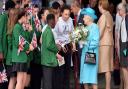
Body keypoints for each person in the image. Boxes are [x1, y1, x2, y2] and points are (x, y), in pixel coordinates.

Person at [12, 10, 34, 89]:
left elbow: (26, 39)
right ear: (22, 17)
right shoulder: (17, 27)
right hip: (19, 57)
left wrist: (29, 31)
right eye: (25, 16)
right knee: (20, 80)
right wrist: (28, 48)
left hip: (23, 57)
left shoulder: (20, 26)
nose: (27, 18)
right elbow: (18, 42)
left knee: (23, 80)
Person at [53, 5, 74, 89]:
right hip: (60, 47)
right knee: (60, 69)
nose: (67, 16)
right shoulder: (58, 21)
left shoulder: (70, 21)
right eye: (65, 14)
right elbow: (55, 36)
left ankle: (66, 86)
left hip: (68, 46)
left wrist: (73, 44)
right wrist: (60, 46)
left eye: (68, 14)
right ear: (61, 13)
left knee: (67, 69)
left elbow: (72, 33)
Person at [80, 7, 100, 89]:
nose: (83, 18)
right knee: (84, 79)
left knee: (92, 79)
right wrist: (80, 42)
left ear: (88, 17)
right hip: (84, 54)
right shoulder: (85, 28)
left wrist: (85, 42)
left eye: (84, 16)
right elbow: (82, 43)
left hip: (91, 54)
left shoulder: (94, 27)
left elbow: (95, 42)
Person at [41, 13, 60, 89]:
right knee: (48, 84)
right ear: (51, 21)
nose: (55, 23)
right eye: (55, 21)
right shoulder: (48, 31)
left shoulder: (47, 30)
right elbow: (49, 45)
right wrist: (57, 48)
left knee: (47, 82)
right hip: (48, 61)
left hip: (46, 60)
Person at [97, 0, 114, 89]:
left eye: (98, 5)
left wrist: (94, 40)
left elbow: (100, 32)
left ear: (101, 5)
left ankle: (107, 87)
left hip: (104, 44)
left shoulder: (104, 16)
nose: (98, 7)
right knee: (108, 67)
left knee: (106, 67)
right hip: (109, 43)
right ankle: (108, 87)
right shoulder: (109, 15)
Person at [6, 8, 19, 89]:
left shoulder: (10, 27)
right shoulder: (14, 29)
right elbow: (11, 45)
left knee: (13, 80)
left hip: (10, 60)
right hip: (12, 60)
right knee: (13, 80)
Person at [118, 3, 128, 89]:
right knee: (124, 66)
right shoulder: (123, 19)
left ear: (123, 10)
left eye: (119, 9)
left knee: (124, 66)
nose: (118, 11)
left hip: (125, 46)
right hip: (124, 46)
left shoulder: (127, 18)